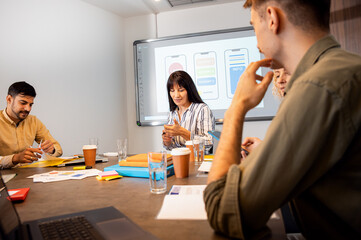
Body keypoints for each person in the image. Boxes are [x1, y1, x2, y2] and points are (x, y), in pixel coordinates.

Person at [204, 0, 361, 239]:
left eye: (253, 26)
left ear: (272, 18)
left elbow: (222, 209)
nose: (257, 43)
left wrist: (236, 107)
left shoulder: (316, 87)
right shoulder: (343, 70)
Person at [0, 82, 63, 169]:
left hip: (27, 175)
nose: (28, 109)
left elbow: (58, 149)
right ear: (9, 99)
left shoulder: (33, 121)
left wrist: (52, 150)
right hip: (3, 179)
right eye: (23, 103)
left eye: (30, 104)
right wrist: (15, 158)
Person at [162, 70, 215, 150]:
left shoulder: (202, 109)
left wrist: (182, 132)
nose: (176, 95)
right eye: (172, 91)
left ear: (189, 90)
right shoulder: (172, 114)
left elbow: (209, 142)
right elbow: (170, 147)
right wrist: (167, 141)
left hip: (197, 160)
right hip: (178, 159)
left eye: (181, 90)